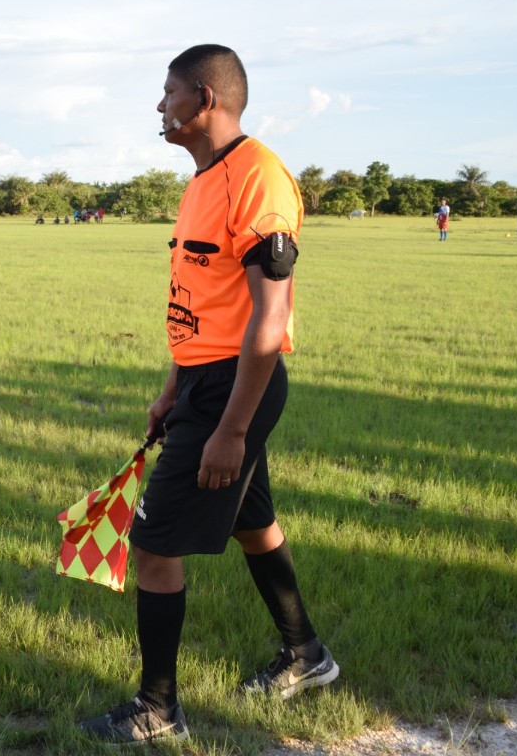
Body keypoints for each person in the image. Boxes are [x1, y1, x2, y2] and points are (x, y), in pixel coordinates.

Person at [78, 44, 338, 745]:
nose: (159, 107)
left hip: (236, 389)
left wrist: (229, 428)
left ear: (205, 98)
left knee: (156, 542)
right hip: (203, 380)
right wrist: (172, 387)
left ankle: (158, 707)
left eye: (168, 94)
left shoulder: (258, 180)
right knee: (253, 521)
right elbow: (202, 299)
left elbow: (268, 318)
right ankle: (307, 655)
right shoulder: (203, 180)